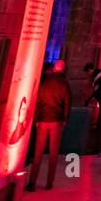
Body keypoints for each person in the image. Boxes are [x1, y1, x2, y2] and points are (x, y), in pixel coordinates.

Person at [26, 59, 71, 192]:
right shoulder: (64, 84)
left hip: (43, 120)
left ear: (54, 69)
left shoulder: (45, 83)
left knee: (38, 152)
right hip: (56, 121)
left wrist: (37, 119)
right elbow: (67, 104)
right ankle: (49, 183)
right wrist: (64, 119)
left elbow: (38, 101)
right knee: (53, 153)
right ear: (63, 70)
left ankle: (32, 182)